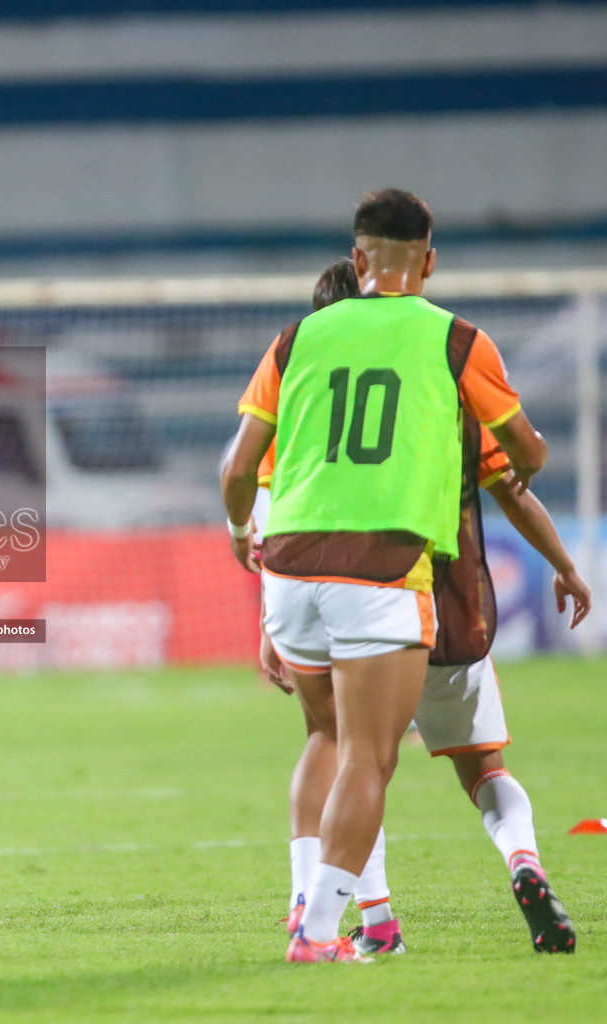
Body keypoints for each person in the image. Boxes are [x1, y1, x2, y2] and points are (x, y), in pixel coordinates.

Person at [221, 189, 549, 963]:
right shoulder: (457, 341)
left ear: (358, 257)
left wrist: (243, 536)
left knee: (327, 736)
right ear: (429, 263)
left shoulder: (296, 338)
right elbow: (526, 458)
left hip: (289, 566)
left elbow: (237, 471)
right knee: (371, 756)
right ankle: (327, 933)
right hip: (382, 567)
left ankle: (323, 903)